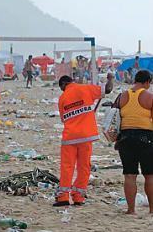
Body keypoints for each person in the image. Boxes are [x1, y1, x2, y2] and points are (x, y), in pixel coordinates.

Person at [54, 75, 113, 206]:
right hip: (86, 136)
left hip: (70, 137)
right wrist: (110, 78)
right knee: (84, 166)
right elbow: (107, 89)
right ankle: (79, 196)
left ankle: (63, 196)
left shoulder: (62, 98)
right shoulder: (86, 89)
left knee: (67, 166)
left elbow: (64, 119)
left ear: (64, 84)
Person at [116, 70, 153, 214]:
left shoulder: (122, 96)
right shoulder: (149, 97)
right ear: (147, 82)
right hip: (146, 137)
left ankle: (131, 210)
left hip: (125, 137)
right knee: (149, 175)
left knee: (129, 175)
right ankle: (151, 210)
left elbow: (115, 118)